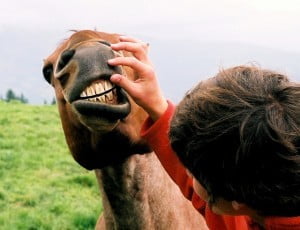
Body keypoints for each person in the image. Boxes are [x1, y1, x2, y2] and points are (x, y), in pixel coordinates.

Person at [108, 36, 300, 230]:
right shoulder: (255, 201)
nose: (188, 171)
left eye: (193, 170)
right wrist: (156, 105)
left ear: (236, 203)